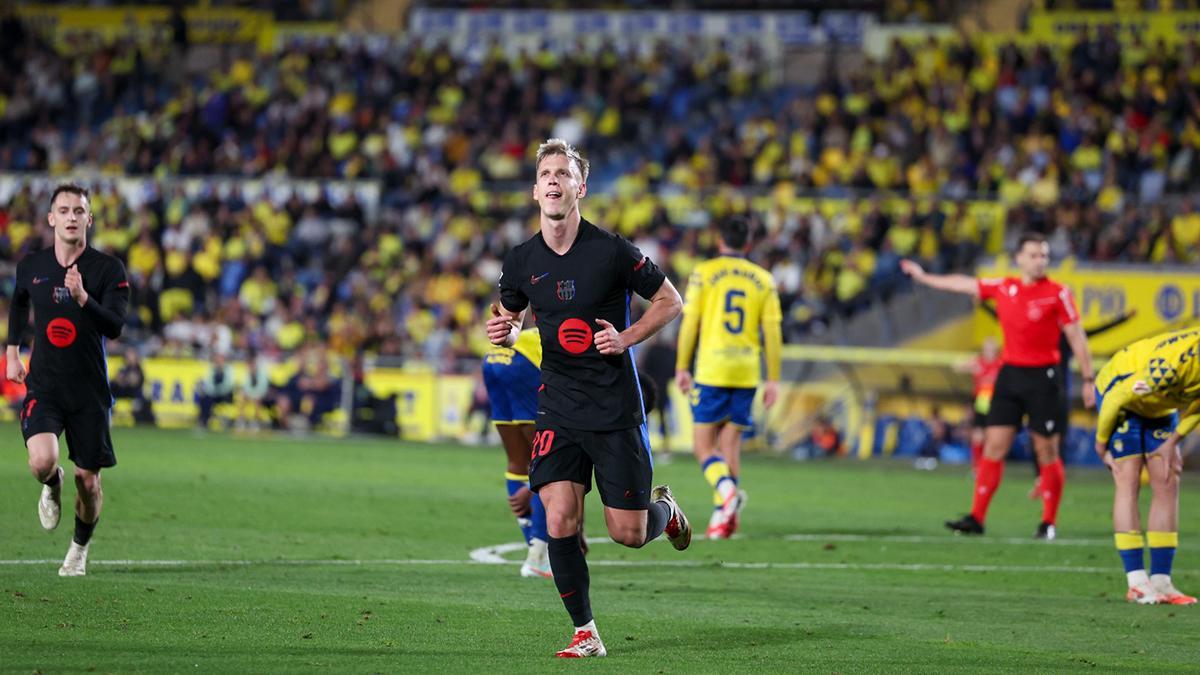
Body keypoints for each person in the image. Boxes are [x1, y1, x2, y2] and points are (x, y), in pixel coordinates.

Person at [486, 139, 688, 658]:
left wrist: (626, 337)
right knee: (559, 518)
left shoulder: (614, 252)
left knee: (628, 532)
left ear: (581, 188)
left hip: (614, 408)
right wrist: (505, 332)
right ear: (535, 191)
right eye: (546, 174)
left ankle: (664, 510)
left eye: (564, 173)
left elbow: (670, 301)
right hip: (558, 404)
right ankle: (586, 633)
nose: (554, 180)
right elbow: (510, 316)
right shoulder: (521, 260)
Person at [901, 232, 1095, 540]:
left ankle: (1048, 522)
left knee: (1046, 449)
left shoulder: (1058, 293)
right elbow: (963, 284)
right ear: (1019, 259)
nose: (1040, 261)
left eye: (1044, 255)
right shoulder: (1005, 287)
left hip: (1044, 378)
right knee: (993, 446)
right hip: (1010, 376)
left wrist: (1088, 379)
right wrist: (924, 277)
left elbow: (1077, 336)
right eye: (1034, 255)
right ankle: (976, 518)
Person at [6, 183, 130, 577]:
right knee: (42, 462)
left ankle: (79, 547)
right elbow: (19, 301)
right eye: (64, 210)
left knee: (88, 483)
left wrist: (83, 299)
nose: (71, 217)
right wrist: (12, 351)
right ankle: (51, 482)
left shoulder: (108, 269)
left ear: (89, 219)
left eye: (78, 211)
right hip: (44, 385)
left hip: (89, 392)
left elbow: (115, 326)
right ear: (51, 218)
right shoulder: (32, 266)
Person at [674, 216, 782, 539]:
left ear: (720, 241)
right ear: (748, 244)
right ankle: (723, 518)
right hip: (747, 371)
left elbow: (690, 323)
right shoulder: (763, 279)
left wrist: (682, 366)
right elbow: (772, 332)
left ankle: (727, 493)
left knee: (703, 447)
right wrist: (773, 378)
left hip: (713, 368)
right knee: (730, 445)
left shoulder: (704, 273)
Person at [1093, 327, 1200, 605]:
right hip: (1121, 397)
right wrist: (1101, 442)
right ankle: (1137, 582)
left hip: (1160, 408)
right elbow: (1118, 396)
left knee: (1168, 479)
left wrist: (1173, 442)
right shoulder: (1170, 365)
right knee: (1128, 478)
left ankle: (1162, 581)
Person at [481, 324, 552, 579]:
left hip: (493, 358)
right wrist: (533, 488)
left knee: (517, 461)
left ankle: (535, 548)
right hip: (525, 362)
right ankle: (538, 557)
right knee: (548, 461)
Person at [955, 336, 1002, 469]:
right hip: (981, 402)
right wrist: (970, 367)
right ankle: (977, 466)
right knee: (978, 435)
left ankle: (990, 466)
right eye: (987, 349)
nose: (989, 352)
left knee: (994, 437)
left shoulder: (1000, 364)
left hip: (996, 403)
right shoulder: (978, 362)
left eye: (991, 349)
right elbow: (957, 366)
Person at [110, 346, 154, 426]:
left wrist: (124, 380)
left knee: (144, 402)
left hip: (134, 393)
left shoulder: (138, 368)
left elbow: (134, 382)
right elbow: (117, 380)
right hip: (121, 392)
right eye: (128, 355)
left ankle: (145, 422)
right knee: (110, 393)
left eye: (131, 355)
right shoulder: (122, 367)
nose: (129, 357)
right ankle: (109, 417)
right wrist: (125, 380)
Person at [196, 351, 236, 429]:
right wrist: (213, 391)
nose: (218, 361)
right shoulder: (211, 369)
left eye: (220, 359)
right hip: (214, 394)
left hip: (225, 394)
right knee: (204, 398)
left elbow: (229, 385)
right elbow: (208, 384)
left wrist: (217, 390)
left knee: (210, 397)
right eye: (217, 359)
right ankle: (204, 420)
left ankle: (205, 419)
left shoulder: (229, 369)